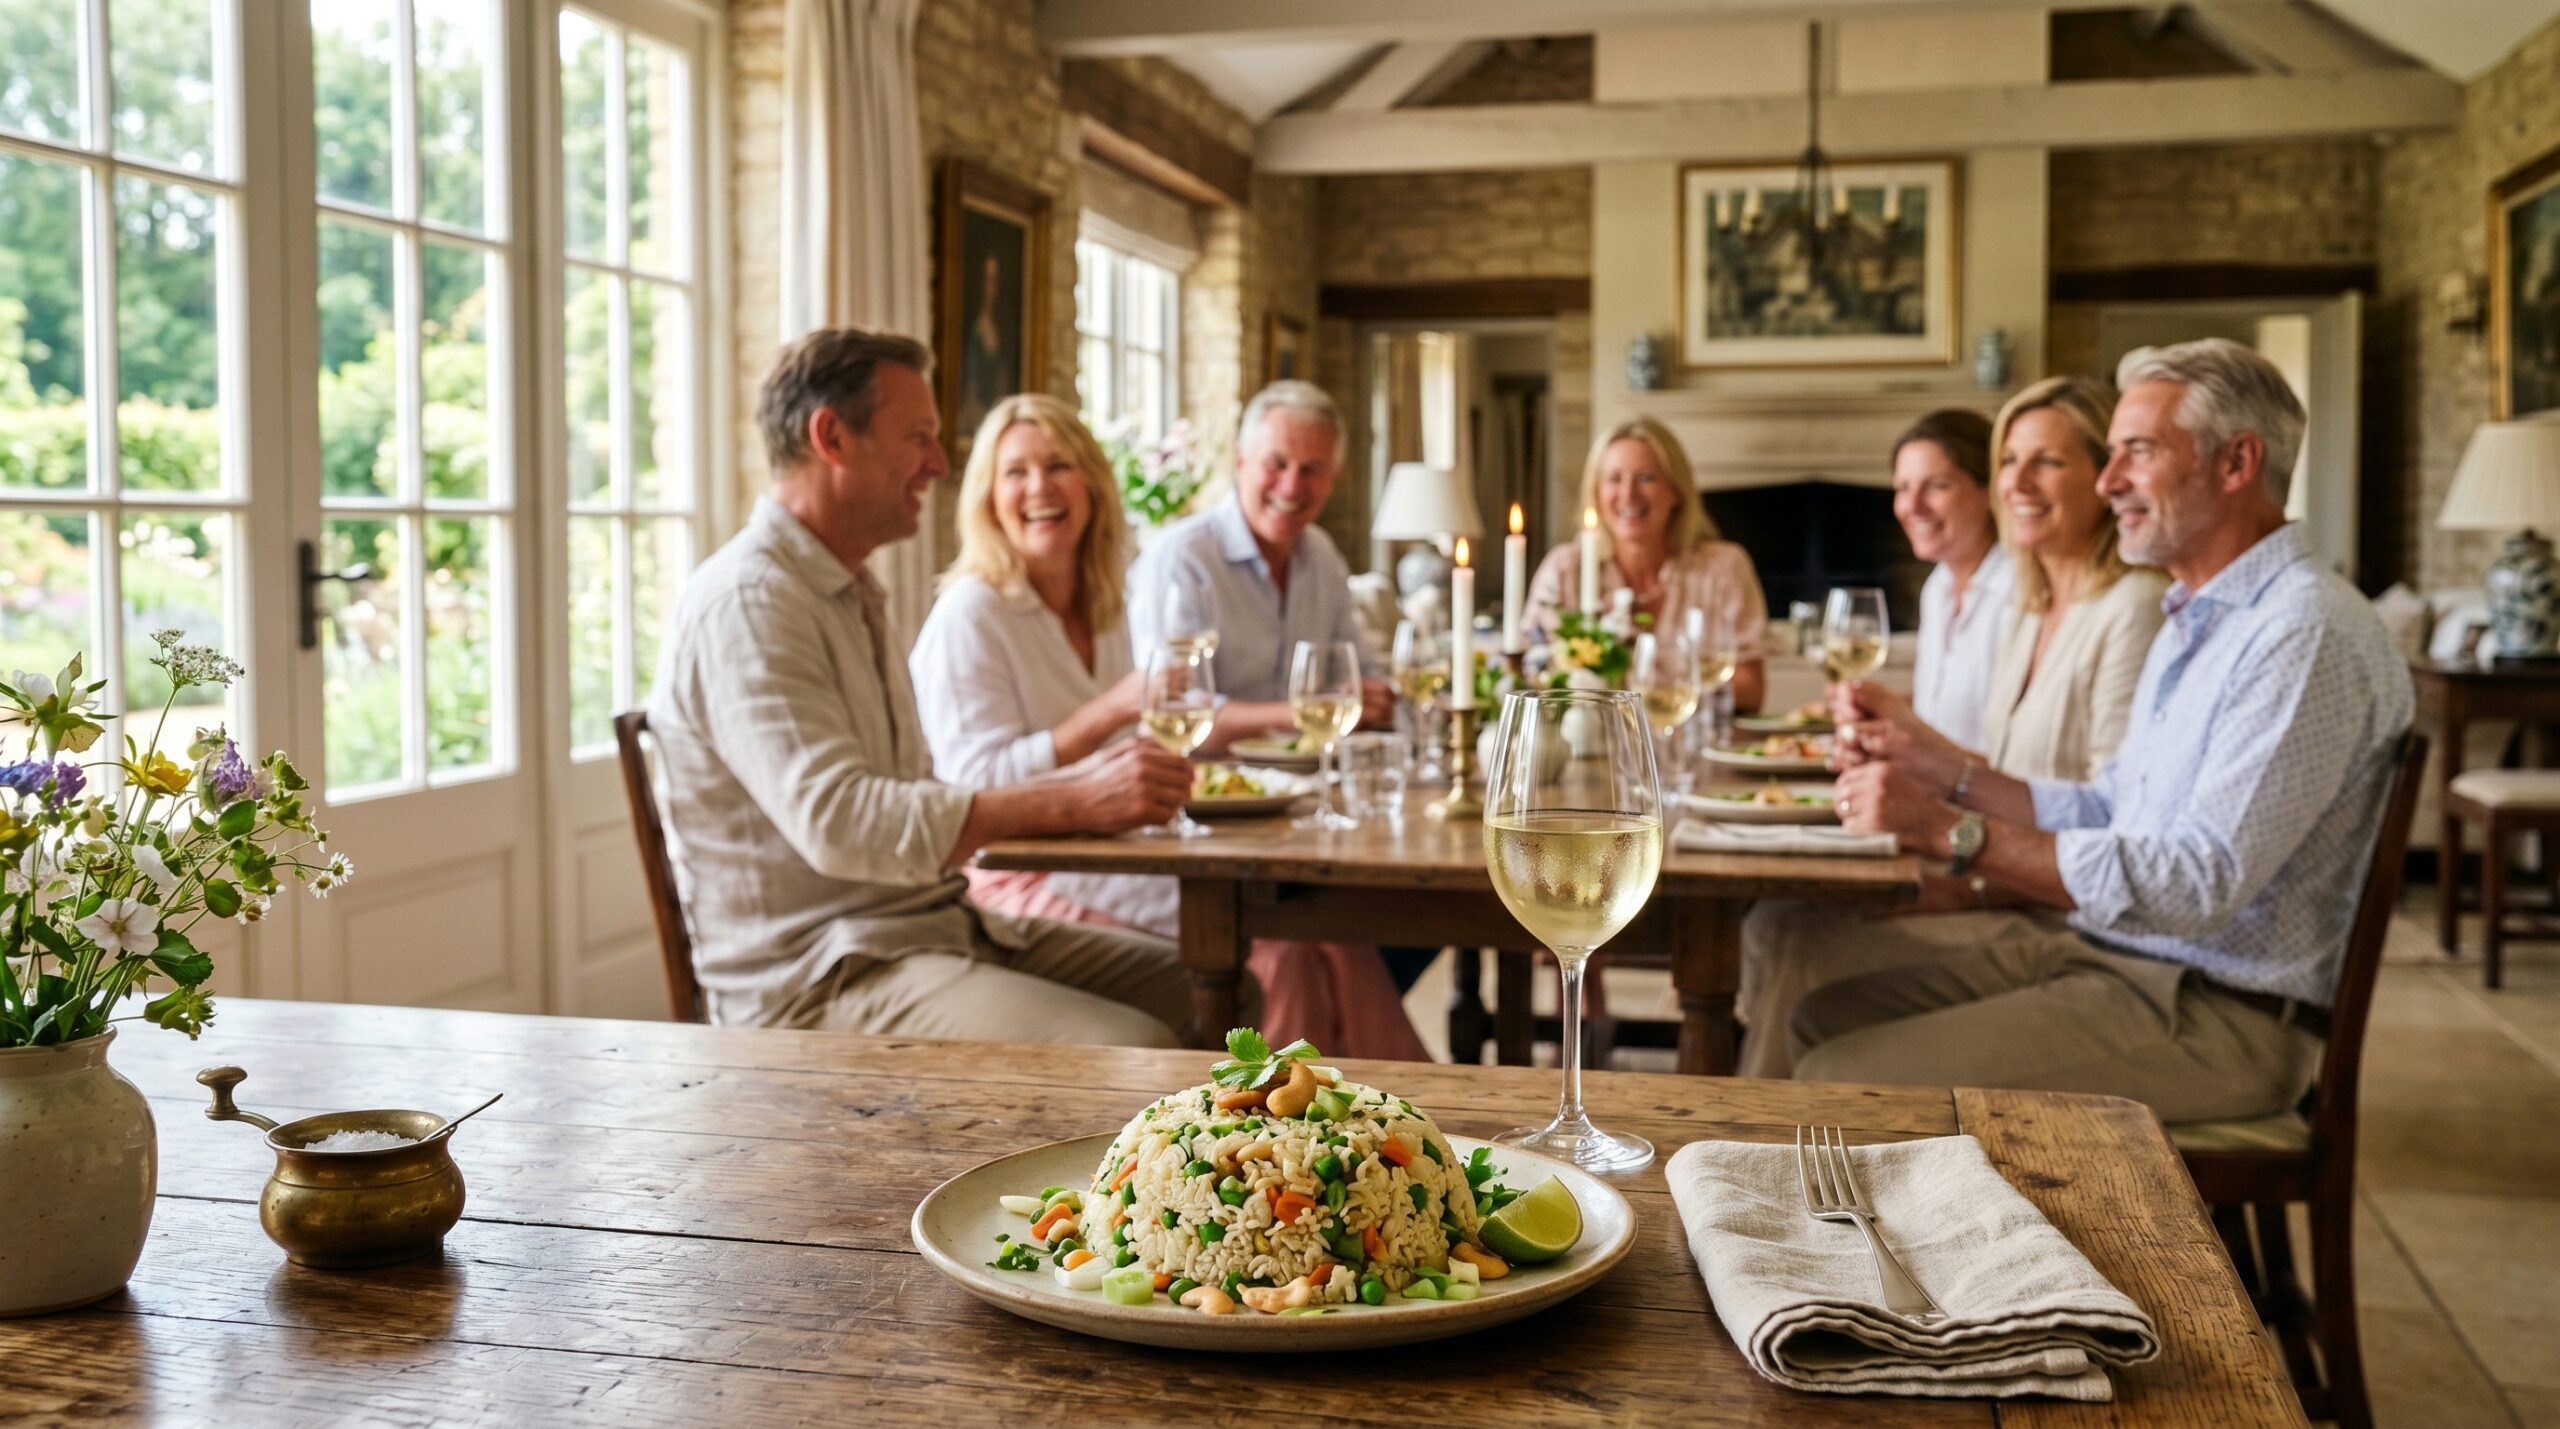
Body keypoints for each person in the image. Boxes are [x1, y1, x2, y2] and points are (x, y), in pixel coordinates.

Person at [1791, 338, 2410, 1123]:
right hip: (2123, 959)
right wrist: (1943, 770)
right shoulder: (2202, 617)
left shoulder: (2303, 629)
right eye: (2110, 454)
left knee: (1837, 1076)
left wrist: (1956, 831)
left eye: (2138, 453)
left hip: (2224, 1014)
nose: (2109, 481)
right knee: (1815, 1015)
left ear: (2236, 462)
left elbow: (2199, 882)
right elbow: (2109, 803)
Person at [648, 327, 1253, 1045]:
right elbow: (840, 822)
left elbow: (920, 791)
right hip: (821, 975)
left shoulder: (845, 591)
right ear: (832, 437)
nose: (939, 464)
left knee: (1224, 986)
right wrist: (1076, 795)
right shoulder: (750, 602)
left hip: (934, 926)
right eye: (919, 438)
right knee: (1131, 1045)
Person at [910, 394, 1426, 1060]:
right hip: (1027, 874)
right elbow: (971, 790)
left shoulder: (1103, 604)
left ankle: (1408, 1121)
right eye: (1016, 472)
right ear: (987, 495)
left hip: (1120, 850)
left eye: (1059, 466)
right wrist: (1115, 708)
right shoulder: (971, 614)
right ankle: (1277, 1139)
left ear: (1092, 484)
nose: (1040, 488)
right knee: (1277, 949)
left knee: (1328, 934)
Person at [1733, 381, 2168, 1076]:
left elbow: (2110, 825)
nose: (2018, 483)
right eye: (2009, 461)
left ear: (2106, 474)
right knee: (1782, 919)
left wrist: (1955, 872)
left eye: (2047, 463)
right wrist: (1908, 735)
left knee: (1796, 937)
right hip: (2005, 876)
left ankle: (1756, 1139)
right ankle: (1757, 1138)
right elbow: (1996, 769)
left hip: (2053, 920)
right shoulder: (2036, 605)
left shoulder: (2133, 607)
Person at [1125, 380, 1393, 740]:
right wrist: (1306, 712)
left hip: (1308, 781)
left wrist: (1374, 694)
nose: (1291, 486)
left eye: (1312, 469)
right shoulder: (1181, 558)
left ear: (1334, 478)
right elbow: (1170, 708)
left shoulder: (1322, 554)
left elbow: (1357, 673)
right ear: (1240, 461)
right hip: (1207, 785)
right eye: (1276, 464)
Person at [1523, 418, 1769, 714]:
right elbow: (1529, 675)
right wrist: (1673, 687)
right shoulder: (1564, 569)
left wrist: (1649, 690)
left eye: (1647, 478)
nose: (1628, 494)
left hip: (1696, 751)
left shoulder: (1725, 567)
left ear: (1676, 490)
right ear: (1597, 494)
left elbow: (1751, 689)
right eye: (1614, 479)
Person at [1893, 409, 2012, 751]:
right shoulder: (1937, 586)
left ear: (1990, 490)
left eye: (1937, 486)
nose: (1913, 506)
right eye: (1902, 488)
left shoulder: (2022, 592)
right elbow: (1947, 716)